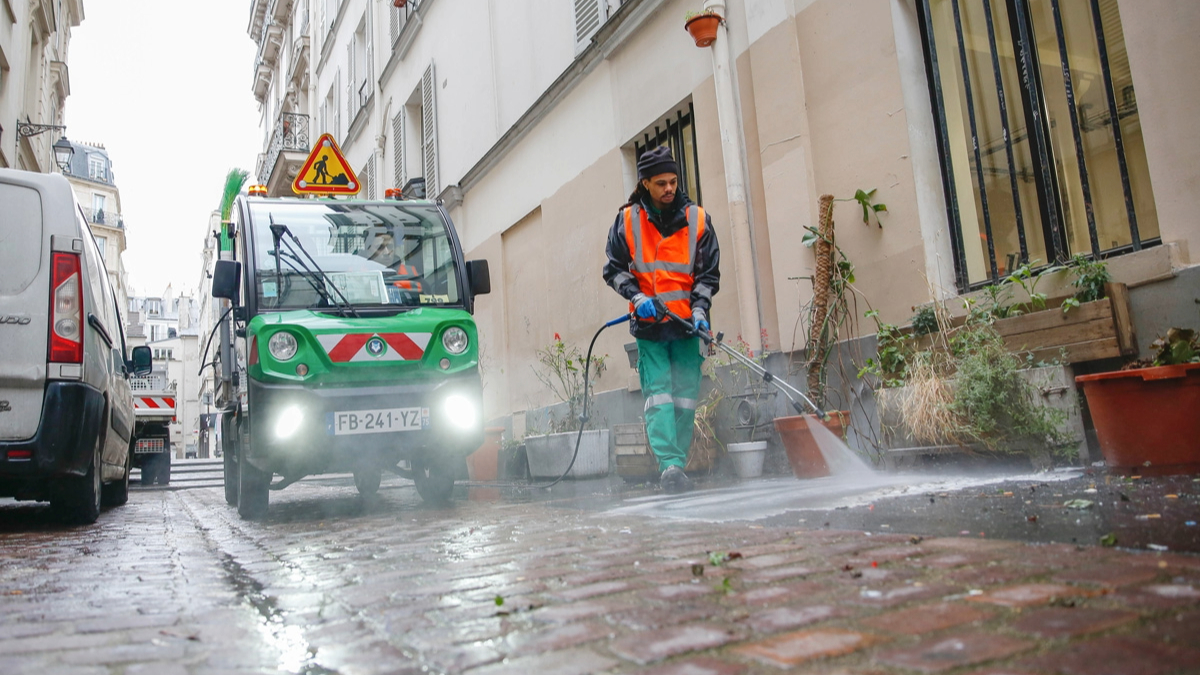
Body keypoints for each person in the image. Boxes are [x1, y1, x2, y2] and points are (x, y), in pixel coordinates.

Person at [603, 146, 720, 494]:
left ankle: (677, 464)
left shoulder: (697, 219)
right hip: (650, 327)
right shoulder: (627, 221)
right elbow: (613, 270)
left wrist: (700, 310)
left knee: (684, 397)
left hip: (686, 325)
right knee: (659, 395)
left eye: (673, 182)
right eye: (661, 183)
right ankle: (669, 465)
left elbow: (708, 274)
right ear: (645, 184)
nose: (669, 188)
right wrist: (637, 297)